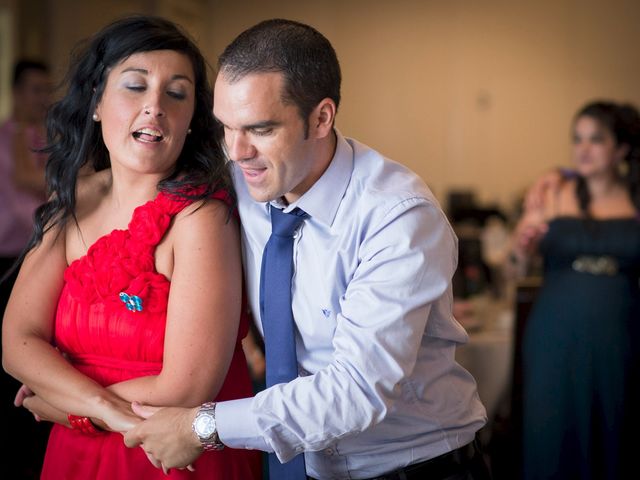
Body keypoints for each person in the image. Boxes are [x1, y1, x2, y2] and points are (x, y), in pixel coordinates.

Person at [125, 18, 490, 480]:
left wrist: (202, 426)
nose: (236, 151)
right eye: (226, 127)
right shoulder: (244, 176)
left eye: (260, 129)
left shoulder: (397, 217)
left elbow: (357, 389)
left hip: (411, 467)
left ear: (321, 118)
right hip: (290, 463)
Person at [1, 15, 261, 479]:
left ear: (190, 120)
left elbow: (186, 387)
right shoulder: (71, 199)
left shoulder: (201, 215)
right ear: (97, 101)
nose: (154, 106)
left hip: (168, 458)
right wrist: (100, 411)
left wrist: (63, 403)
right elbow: (18, 344)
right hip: (77, 453)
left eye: (176, 93)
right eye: (135, 86)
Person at [510, 100, 640, 479]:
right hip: (556, 331)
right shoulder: (551, 193)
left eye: (596, 139)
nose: (583, 148)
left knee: (618, 426)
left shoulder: (635, 198)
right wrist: (521, 246)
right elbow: (515, 269)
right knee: (552, 430)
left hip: (622, 331)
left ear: (622, 148)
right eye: (577, 139)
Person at [0, 59, 51, 479]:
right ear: (17, 92)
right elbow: (27, 178)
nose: (41, 98)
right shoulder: (9, 136)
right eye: (34, 89)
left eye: (45, 90)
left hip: (36, 257)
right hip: (4, 257)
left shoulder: (50, 138)